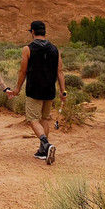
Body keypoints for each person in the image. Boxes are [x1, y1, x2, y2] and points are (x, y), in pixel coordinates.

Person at [13, 20, 65, 164]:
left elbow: (22, 71)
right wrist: (63, 91)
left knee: (33, 120)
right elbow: (59, 72)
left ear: (33, 32)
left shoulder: (28, 49)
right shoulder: (55, 49)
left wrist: (17, 88)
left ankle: (46, 144)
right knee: (44, 119)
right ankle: (43, 151)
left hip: (34, 90)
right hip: (49, 90)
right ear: (44, 32)